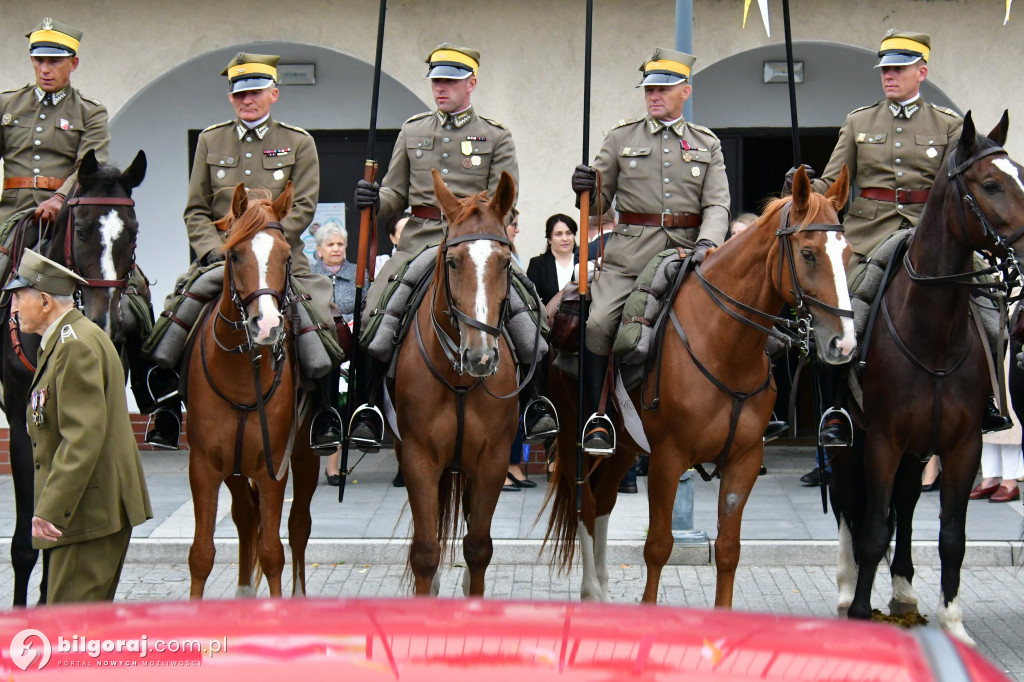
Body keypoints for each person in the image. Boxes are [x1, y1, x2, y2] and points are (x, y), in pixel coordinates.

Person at [794, 30, 1008, 452]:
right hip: (870, 235)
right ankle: (835, 410)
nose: (888, 76)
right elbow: (833, 179)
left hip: (932, 238)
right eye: (885, 69)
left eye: (898, 68)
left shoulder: (947, 125)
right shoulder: (859, 121)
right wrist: (801, 184)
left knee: (990, 309)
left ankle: (987, 401)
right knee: (839, 312)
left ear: (921, 72)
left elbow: (954, 188)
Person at [352, 43, 556, 448]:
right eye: (436, 81)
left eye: (449, 81)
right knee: (376, 309)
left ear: (471, 84)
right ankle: (367, 407)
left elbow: (506, 201)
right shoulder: (413, 130)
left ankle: (536, 404)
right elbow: (395, 190)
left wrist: (491, 232)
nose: (440, 88)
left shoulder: (495, 135)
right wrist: (377, 201)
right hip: (420, 240)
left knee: (528, 312)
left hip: (476, 243)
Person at [146, 52, 341, 451]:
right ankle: (166, 408)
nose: (246, 100)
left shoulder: (298, 142)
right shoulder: (209, 140)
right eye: (238, 94)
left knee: (320, 320)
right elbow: (196, 210)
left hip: (278, 258)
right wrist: (216, 251)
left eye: (254, 93)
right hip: (223, 258)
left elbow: (302, 206)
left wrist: (263, 247)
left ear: (274, 94)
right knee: (175, 312)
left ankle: (323, 411)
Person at [570, 47, 730, 454]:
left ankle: (742, 407)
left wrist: (708, 244)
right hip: (629, 257)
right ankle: (597, 417)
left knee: (735, 320)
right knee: (598, 323)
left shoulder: (706, 144)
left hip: (688, 255)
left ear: (685, 92)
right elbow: (598, 208)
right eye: (649, 89)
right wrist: (585, 189)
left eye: (663, 88)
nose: (653, 95)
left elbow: (717, 204)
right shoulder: (621, 138)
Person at [5, 250, 152, 603]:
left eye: (17, 297)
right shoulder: (67, 339)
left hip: (87, 516)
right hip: (86, 511)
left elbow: (81, 438)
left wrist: (50, 510)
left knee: (70, 634)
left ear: (43, 300)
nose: (12, 308)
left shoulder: (75, 347)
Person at [1, 18, 108, 226]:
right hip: (9, 214)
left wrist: (60, 197)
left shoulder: (90, 112)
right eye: (39, 60)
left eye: (54, 61)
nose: (44, 70)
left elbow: (90, 166)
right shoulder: (6, 104)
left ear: (73, 64)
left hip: (66, 214)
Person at [527, 213, 580, 306]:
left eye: (569, 233)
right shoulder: (538, 264)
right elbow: (531, 299)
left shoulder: (584, 261)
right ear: (549, 239)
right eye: (558, 234)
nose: (565, 238)